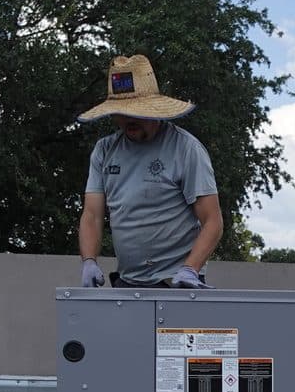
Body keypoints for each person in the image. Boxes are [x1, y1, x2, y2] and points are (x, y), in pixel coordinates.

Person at [76, 54, 222, 288]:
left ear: (154, 110)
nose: (129, 119)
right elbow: (92, 215)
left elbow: (212, 220)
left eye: (136, 112)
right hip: (127, 282)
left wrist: (190, 269)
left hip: (176, 283)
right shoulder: (104, 150)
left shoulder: (185, 148)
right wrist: (89, 262)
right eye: (122, 112)